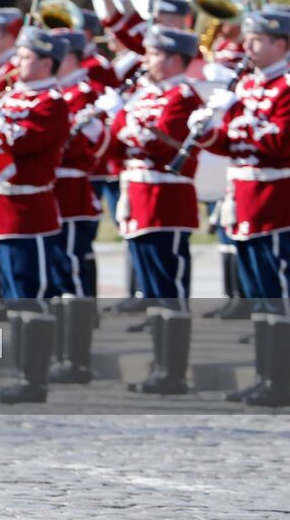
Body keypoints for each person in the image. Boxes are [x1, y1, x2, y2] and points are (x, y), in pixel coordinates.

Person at [204, 10, 290, 407]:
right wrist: (210, 128)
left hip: (274, 199)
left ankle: (279, 383)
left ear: (281, 43)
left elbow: (281, 143)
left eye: (258, 39)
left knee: (277, 293)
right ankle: (262, 377)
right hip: (244, 200)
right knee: (259, 297)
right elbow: (230, 143)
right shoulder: (248, 84)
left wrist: (238, 126)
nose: (248, 46)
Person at [0, 27, 70, 404]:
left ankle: (34, 380)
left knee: (33, 295)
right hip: (1, 206)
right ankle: (20, 376)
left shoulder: (52, 102)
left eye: (26, 57)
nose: (17, 63)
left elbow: (19, 141)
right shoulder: (11, 96)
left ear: (46, 63)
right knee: (15, 298)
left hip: (30, 209)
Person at [109, 26, 207, 395]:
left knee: (170, 287)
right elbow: (120, 138)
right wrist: (127, 125)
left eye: (152, 54)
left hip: (166, 200)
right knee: (153, 289)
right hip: (137, 197)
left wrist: (128, 127)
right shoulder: (144, 94)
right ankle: (160, 368)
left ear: (172, 58)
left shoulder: (183, 95)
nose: (146, 60)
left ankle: (173, 373)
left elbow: (158, 141)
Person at [46, 30, 113, 385]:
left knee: (71, 275)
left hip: (72, 195)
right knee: (58, 276)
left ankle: (76, 359)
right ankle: (62, 354)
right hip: (54, 195)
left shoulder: (86, 94)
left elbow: (95, 147)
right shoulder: (58, 93)